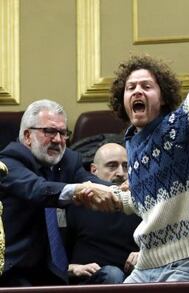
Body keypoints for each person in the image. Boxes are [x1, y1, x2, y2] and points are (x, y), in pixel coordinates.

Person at [77, 4, 189, 283]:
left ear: (162, 96)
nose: (137, 91)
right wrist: (109, 197)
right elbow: (145, 198)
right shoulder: (132, 141)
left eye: (147, 86)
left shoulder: (181, 125)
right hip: (149, 262)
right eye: (131, 87)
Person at [0, 99, 119, 286]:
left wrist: (117, 192)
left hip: (57, 273)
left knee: (111, 276)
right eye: (49, 131)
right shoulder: (8, 163)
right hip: (16, 272)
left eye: (63, 133)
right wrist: (78, 190)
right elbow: (38, 190)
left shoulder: (68, 161)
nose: (58, 140)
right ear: (27, 136)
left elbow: (91, 182)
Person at [65, 143, 141, 284]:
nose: (120, 172)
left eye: (126, 166)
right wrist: (72, 268)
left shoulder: (141, 202)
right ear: (94, 170)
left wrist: (144, 254)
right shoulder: (78, 201)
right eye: (112, 166)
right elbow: (54, 256)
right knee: (113, 275)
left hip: (135, 278)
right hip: (88, 280)